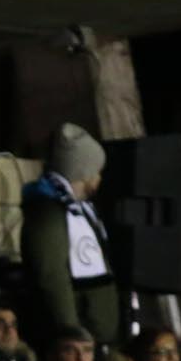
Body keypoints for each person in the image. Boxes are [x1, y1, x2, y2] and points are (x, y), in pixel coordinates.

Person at [20, 122, 117, 347]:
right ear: (84, 171)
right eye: (97, 171)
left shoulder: (78, 209)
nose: (99, 178)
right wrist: (71, 334)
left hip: (92, 337)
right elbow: (51, 276)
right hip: (78, 343)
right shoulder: (49, 213)